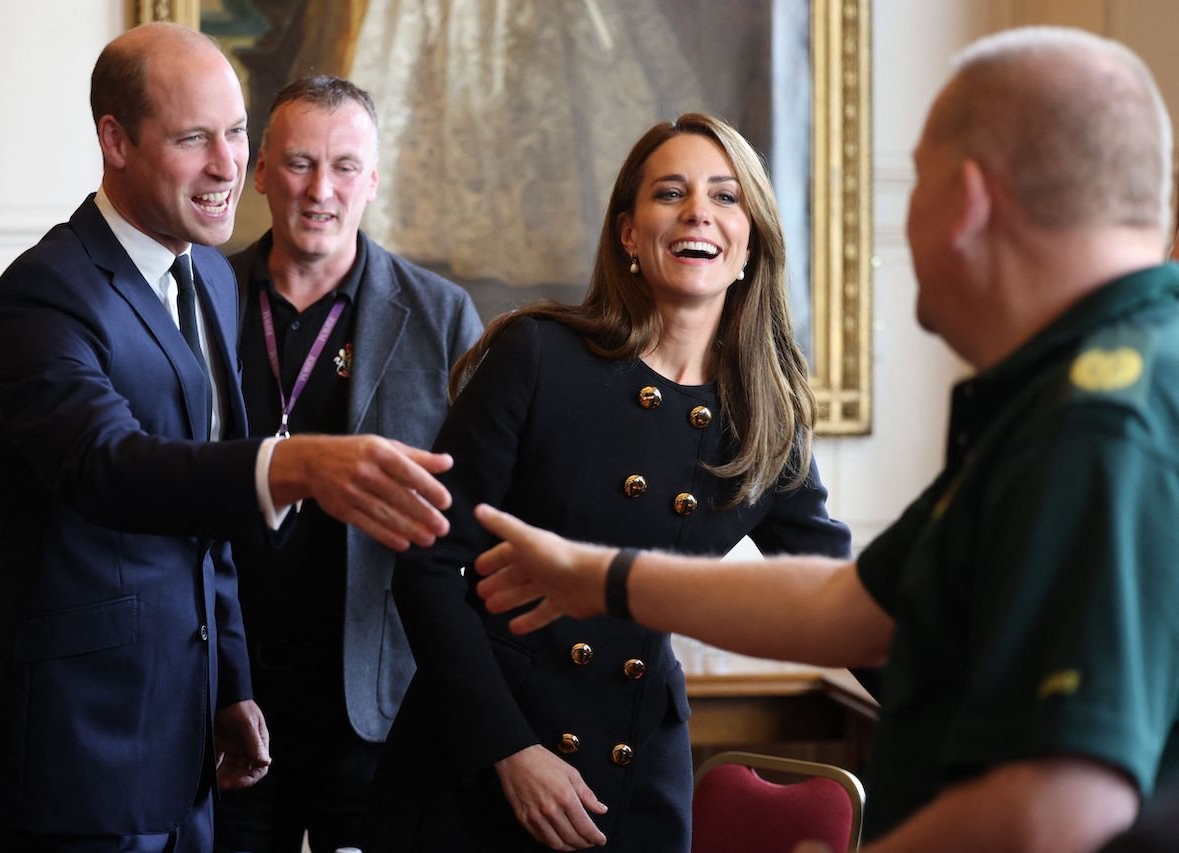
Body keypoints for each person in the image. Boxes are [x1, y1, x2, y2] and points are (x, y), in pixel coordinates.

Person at [472, 26, 1179, 853]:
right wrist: (600, 577)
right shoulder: (1070, 394)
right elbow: (859, 607)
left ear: (970, 201)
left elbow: (1058, 808)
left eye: (916, 183)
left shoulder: (1102, 421)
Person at [0, 23, 454, 852]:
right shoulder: (42, 296)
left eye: (235, 133)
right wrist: (295, 465)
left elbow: (204, 529)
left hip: (191, 751)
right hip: (74, 749)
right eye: (194, 139)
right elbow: (108, 466)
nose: (227, 166)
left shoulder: (211, 276)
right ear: (115, 140)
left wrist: (230, 686)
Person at [367, 112, 850, 852]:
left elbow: (843, 595)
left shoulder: (765, 419)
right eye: (671, 193)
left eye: (726, 197)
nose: (699, 212)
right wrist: (512, 750)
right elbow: (426, 566)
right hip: (474, 762)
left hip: (631, 774)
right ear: (628, 233)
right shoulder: (536, 356)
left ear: (750, 241)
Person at [213, 76, 483, 853]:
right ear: (259, 170)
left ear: (373, 178)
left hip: (377, 704)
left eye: (343, 166)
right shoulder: (201, 297)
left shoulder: (442, 316)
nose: (320, 189)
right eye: (298, 163)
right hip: (228, 699)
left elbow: (471, 515)